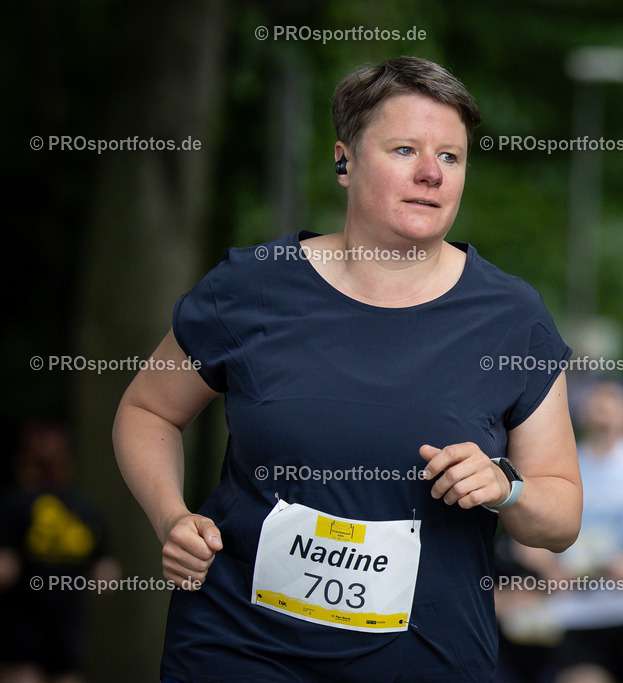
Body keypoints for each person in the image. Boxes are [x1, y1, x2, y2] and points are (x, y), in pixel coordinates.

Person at [112, 56, 583, 682]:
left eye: (450, 157)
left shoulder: (510, 316)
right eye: (404, 149)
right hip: (240, 648)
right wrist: (171, 517)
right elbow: (147, 411)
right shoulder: (252, 287)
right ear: (344, 160)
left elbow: (562, 517)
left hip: (424, 658)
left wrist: (505, 487)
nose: (429, 174)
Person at [521, 375, 623, 683]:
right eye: (594, 399)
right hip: (578, 612)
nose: (602, 407)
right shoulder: (560, 466)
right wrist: (553, 570)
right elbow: (527, 532)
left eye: (613, 398)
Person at [0, 420, 120, 683]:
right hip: (59, 627)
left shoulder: (14, 503)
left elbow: (5, 570)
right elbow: (106, 574)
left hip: (27, 628)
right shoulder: (85, 508)